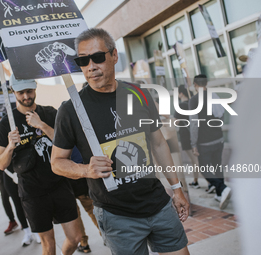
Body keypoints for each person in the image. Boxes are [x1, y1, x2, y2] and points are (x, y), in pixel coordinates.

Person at [51, 28, 190, 255]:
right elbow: (57, 162)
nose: (91, 66)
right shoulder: (70, 110)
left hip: (157, 202)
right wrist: (87, 169)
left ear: (114, 55)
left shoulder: (139, 93)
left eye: (97, 57)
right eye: (83, 61)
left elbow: (157, 143)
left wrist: (176, 188)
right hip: (117, 215)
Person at [0, 74, 82, 255]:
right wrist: (10, 146)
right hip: (32, 191)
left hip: (59, 184)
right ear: (13, 92)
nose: (26, 96)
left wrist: (41, 125)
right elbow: (1, 165)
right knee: (48, 246)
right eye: (21, 93)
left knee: (75, 238)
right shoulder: (6, 124)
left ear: (35, 88)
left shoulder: (50, 113)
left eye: (29, 91)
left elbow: (67, 143)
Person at [0, 111, 40, 246]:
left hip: (22, 172)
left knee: (30, 202)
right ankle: (27, 231)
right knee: (17, 203)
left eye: (1, 119)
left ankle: (36, 231)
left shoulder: (17, 129)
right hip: (8, 174)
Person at [189, 74, 231, 210]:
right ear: (206, 84)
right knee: (218, 166)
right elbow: (222, 116)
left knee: (204, 168)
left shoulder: (194, 100)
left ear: (195, 85)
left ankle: (223, 188)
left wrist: (193, 144)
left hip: (204, 141)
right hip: (218, 138)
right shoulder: (214, 96)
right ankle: (220, 194)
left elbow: (194, 124)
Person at [0, 112, 18, 235]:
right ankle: (12, 220)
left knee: (17, 197)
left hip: (13, 169)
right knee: (5, 198)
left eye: (1, 119)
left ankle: (25, 222)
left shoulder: (12, 131)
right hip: (1, 171)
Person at [173, 85, 202, 189]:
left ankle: (211, 182)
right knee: (195, 160)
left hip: (186, 135)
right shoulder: (193, 102)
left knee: (195, 160)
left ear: (181, 93)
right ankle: (196, 181)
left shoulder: (181, 106)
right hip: (197, 133)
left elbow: (175, 122)